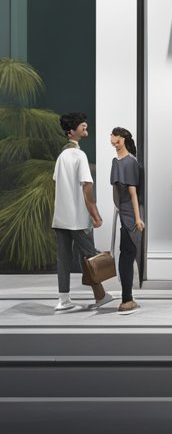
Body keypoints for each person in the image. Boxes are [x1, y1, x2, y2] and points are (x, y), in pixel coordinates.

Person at [51, 112, 113, 312]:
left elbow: (58, 183)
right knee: (90, 257)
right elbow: (87, 186)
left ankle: (64, 300)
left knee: (64, 259)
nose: (85, 126)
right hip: (77, 218)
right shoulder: (79, 155)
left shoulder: (61, 156)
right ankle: (101, 296)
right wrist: (94, 214)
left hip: (60, 218)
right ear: (71, 131)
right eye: (81, 125)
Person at [109, 127, 145, 314]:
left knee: (126, 254)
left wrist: (132, 217)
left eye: (114, 135)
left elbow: (128, 193)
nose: (111, 138)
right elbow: (132, 194)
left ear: (122, 139)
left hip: (127, 214)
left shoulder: (125, 162)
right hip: (129, 215)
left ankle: (127, 298)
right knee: (128, 255)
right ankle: (126, 300)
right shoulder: (125, 161)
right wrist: (138, 218)